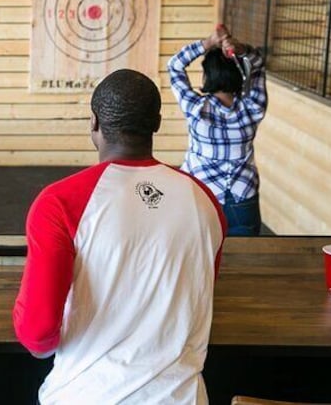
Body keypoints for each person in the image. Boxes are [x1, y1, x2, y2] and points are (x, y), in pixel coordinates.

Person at [13, 69, 226, 404]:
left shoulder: (59, 203)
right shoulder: (204, 200)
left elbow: (37, 334)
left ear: (94, 124)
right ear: (156, 123)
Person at [167, 25, 268, 236]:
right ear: (238, 76)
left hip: (200, 195)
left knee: (200, 258)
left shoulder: (195, 108)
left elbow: (175, 66)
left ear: (207, 77)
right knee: (244, 259)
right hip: (242, 197)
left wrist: (207, 43)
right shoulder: (252, 108)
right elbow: (258, 63)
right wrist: (240, 50)